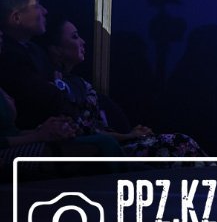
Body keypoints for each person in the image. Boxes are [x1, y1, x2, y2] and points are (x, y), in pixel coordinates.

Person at [39, 14, 206, 158]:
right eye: (74, 37)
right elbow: (84, 130)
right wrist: (128, 136)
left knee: (182, 142)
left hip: (114, 143)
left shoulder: (79, 83)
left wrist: (130, 134)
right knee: (179, 144)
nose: (83, 42)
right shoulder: (54, 87)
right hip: (104, 150)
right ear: (56, 49)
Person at [0, 0, 76, 128]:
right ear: (16, 18)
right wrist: (58, 87)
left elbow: (60, 83)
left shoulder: (35, 49)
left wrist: (56, 86)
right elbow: (47, 100)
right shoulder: (9, 57)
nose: (45, 11)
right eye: (36, 5)